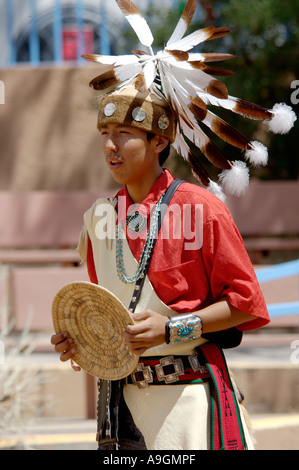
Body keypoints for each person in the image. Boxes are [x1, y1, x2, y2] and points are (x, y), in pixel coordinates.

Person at [51, 0, 295, 450]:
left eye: (124, 133)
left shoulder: (201, 209)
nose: (111, 146)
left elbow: (247, 304)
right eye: (105, 134)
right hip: (118, 410)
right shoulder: (98, 220)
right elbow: (107, 316)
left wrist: (170, 330)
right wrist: (80, 341)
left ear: (159, 139)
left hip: (187, 405)